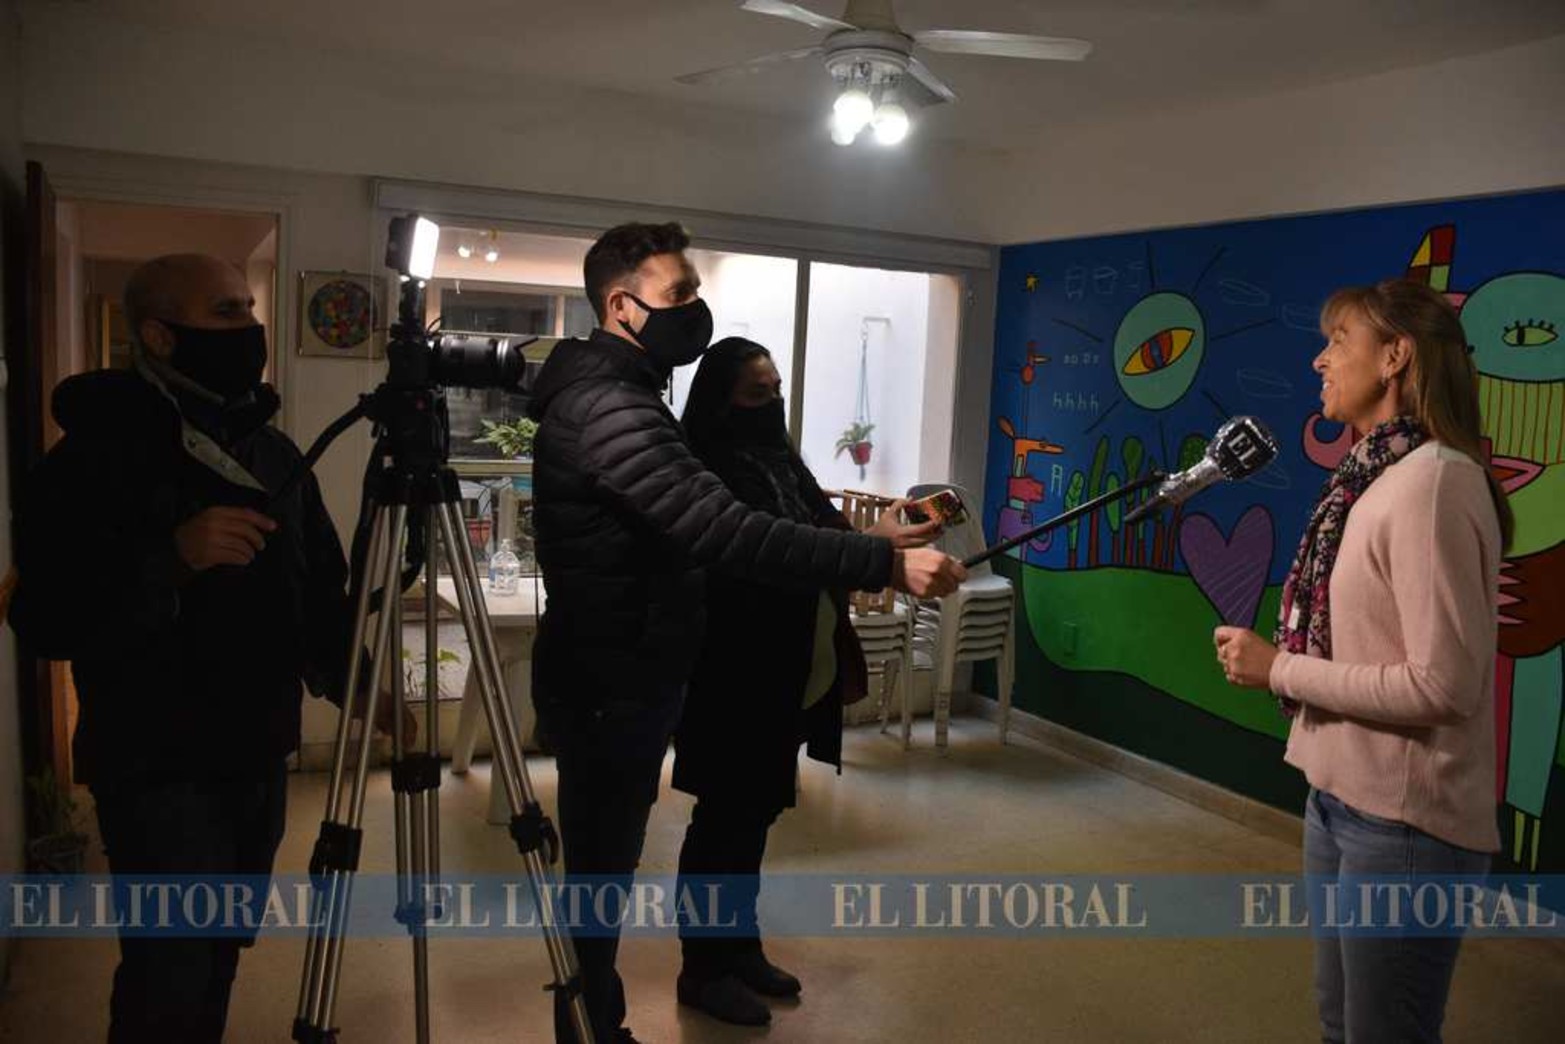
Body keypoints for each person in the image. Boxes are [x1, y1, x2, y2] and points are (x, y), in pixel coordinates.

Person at [528, 223, 965, 1044]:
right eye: (680, 294)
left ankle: (614, 1010)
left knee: (617, 861)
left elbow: (786, 517)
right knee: (599, 871)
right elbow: (725, 529)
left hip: (648, 668)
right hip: (610, 678)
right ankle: (594, 1025)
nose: (697, 308)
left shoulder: (629, 396)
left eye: (696, 288)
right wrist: (880, 565)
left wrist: (879, 542)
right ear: (620, 307)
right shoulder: (609, 408)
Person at [8, 254, 403, 1043]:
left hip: (257, 755)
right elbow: (44, 617)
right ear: (159, 334)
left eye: (249, 310)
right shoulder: (89, 461)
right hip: (155, 764)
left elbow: (316, 594)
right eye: (227, 313)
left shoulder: (274, 455)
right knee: (169, 968)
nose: (250, 329)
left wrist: (358, 688)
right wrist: (171, 560)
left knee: (220, 950)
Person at [1214, 278, 1511, 1043]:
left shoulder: (1433, 482)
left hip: (1405, 826)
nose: (1318, 360)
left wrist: (1277, 668)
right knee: (1342, 1021)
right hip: (1339, 798)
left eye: (1337, 340)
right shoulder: (1371, 475)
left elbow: (1441, 683)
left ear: (1395, 356)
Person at [670, 337, 940, 1025]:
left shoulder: (776, 456)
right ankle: (701, 969)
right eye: (756, 393)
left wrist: (877, 536)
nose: (771, 403)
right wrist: (862, 556)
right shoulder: (701, 467)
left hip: (791, 665)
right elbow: (764, 551)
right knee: (722, 819)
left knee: (755, 812)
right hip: (730, 672)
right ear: (721, 398)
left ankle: (739, 946)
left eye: (776, 390)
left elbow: (818, 531)